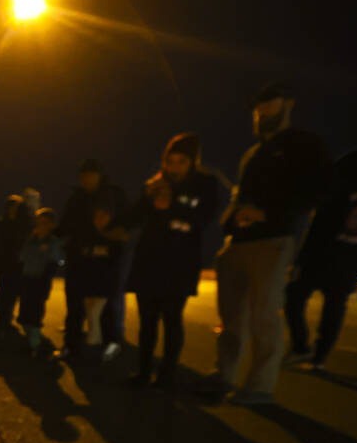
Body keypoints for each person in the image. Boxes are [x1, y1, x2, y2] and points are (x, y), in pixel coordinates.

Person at [204, 81, 332, 405]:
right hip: (238, 242)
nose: (261, 111)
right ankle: (224, 375)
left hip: (273, 241)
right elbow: (240, 196)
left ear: (288, 104)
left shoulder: (305, 144)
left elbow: (318, 193)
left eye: (269, 103)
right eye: (257, 106)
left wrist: (268, 213)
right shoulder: (253, 152)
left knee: (263, 316)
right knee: (231, 317)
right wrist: (232, 219)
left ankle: (259, 386)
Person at [117, 133, 220, 389]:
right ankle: (142, 373)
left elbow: (205, 218)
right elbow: (133, 217)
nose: (174, 167)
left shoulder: (205, 185)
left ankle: (167, 375)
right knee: (147, 321)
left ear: (192, 162)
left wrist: (170, 206)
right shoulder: (154, 185)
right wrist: (141, 201)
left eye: (181, 162)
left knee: (172, 319)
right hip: (149, 262)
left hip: (180, 264)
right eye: (170, 161)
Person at [284, 149, 357, 370]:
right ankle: (320, 358)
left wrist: (300, 262)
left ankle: (301, 347)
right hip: (352, 262)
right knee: (334, 309)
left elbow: (318, 229)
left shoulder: (337, 190)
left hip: (320, 258)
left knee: (293, 298)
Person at [55, 159, 128, 361]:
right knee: (74, 306)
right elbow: (64, 226)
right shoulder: (76, 198)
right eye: (83, 175)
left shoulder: (114, 195)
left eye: (90, 174)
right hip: (79, 259)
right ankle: (71, 347)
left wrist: (116, 243)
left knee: (107, 306)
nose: (86, 179)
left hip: (106, 261)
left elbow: (127, 225)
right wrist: (47, 234)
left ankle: (110, 347)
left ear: (100, 175)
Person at [18, 207, 64, 358]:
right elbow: (22, 257)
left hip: (41, 281)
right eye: (38, 223)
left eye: (44, 223)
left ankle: (35, 344)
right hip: (27, 279)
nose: (40, 226)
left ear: (51, 225)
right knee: (24, 312)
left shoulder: (53, 242)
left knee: (36, 312)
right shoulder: (31, 240)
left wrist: (43, 278)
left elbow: (54, 262)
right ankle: (31, 337)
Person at [0, 195, 30, 332]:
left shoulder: (22, 225)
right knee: (1, 293)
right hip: (4, 265)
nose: (13, 209)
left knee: (12, 294)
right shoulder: (1, 224)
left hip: (18, 265)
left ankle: (6, 320)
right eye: (11, 206)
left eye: (17, 207)